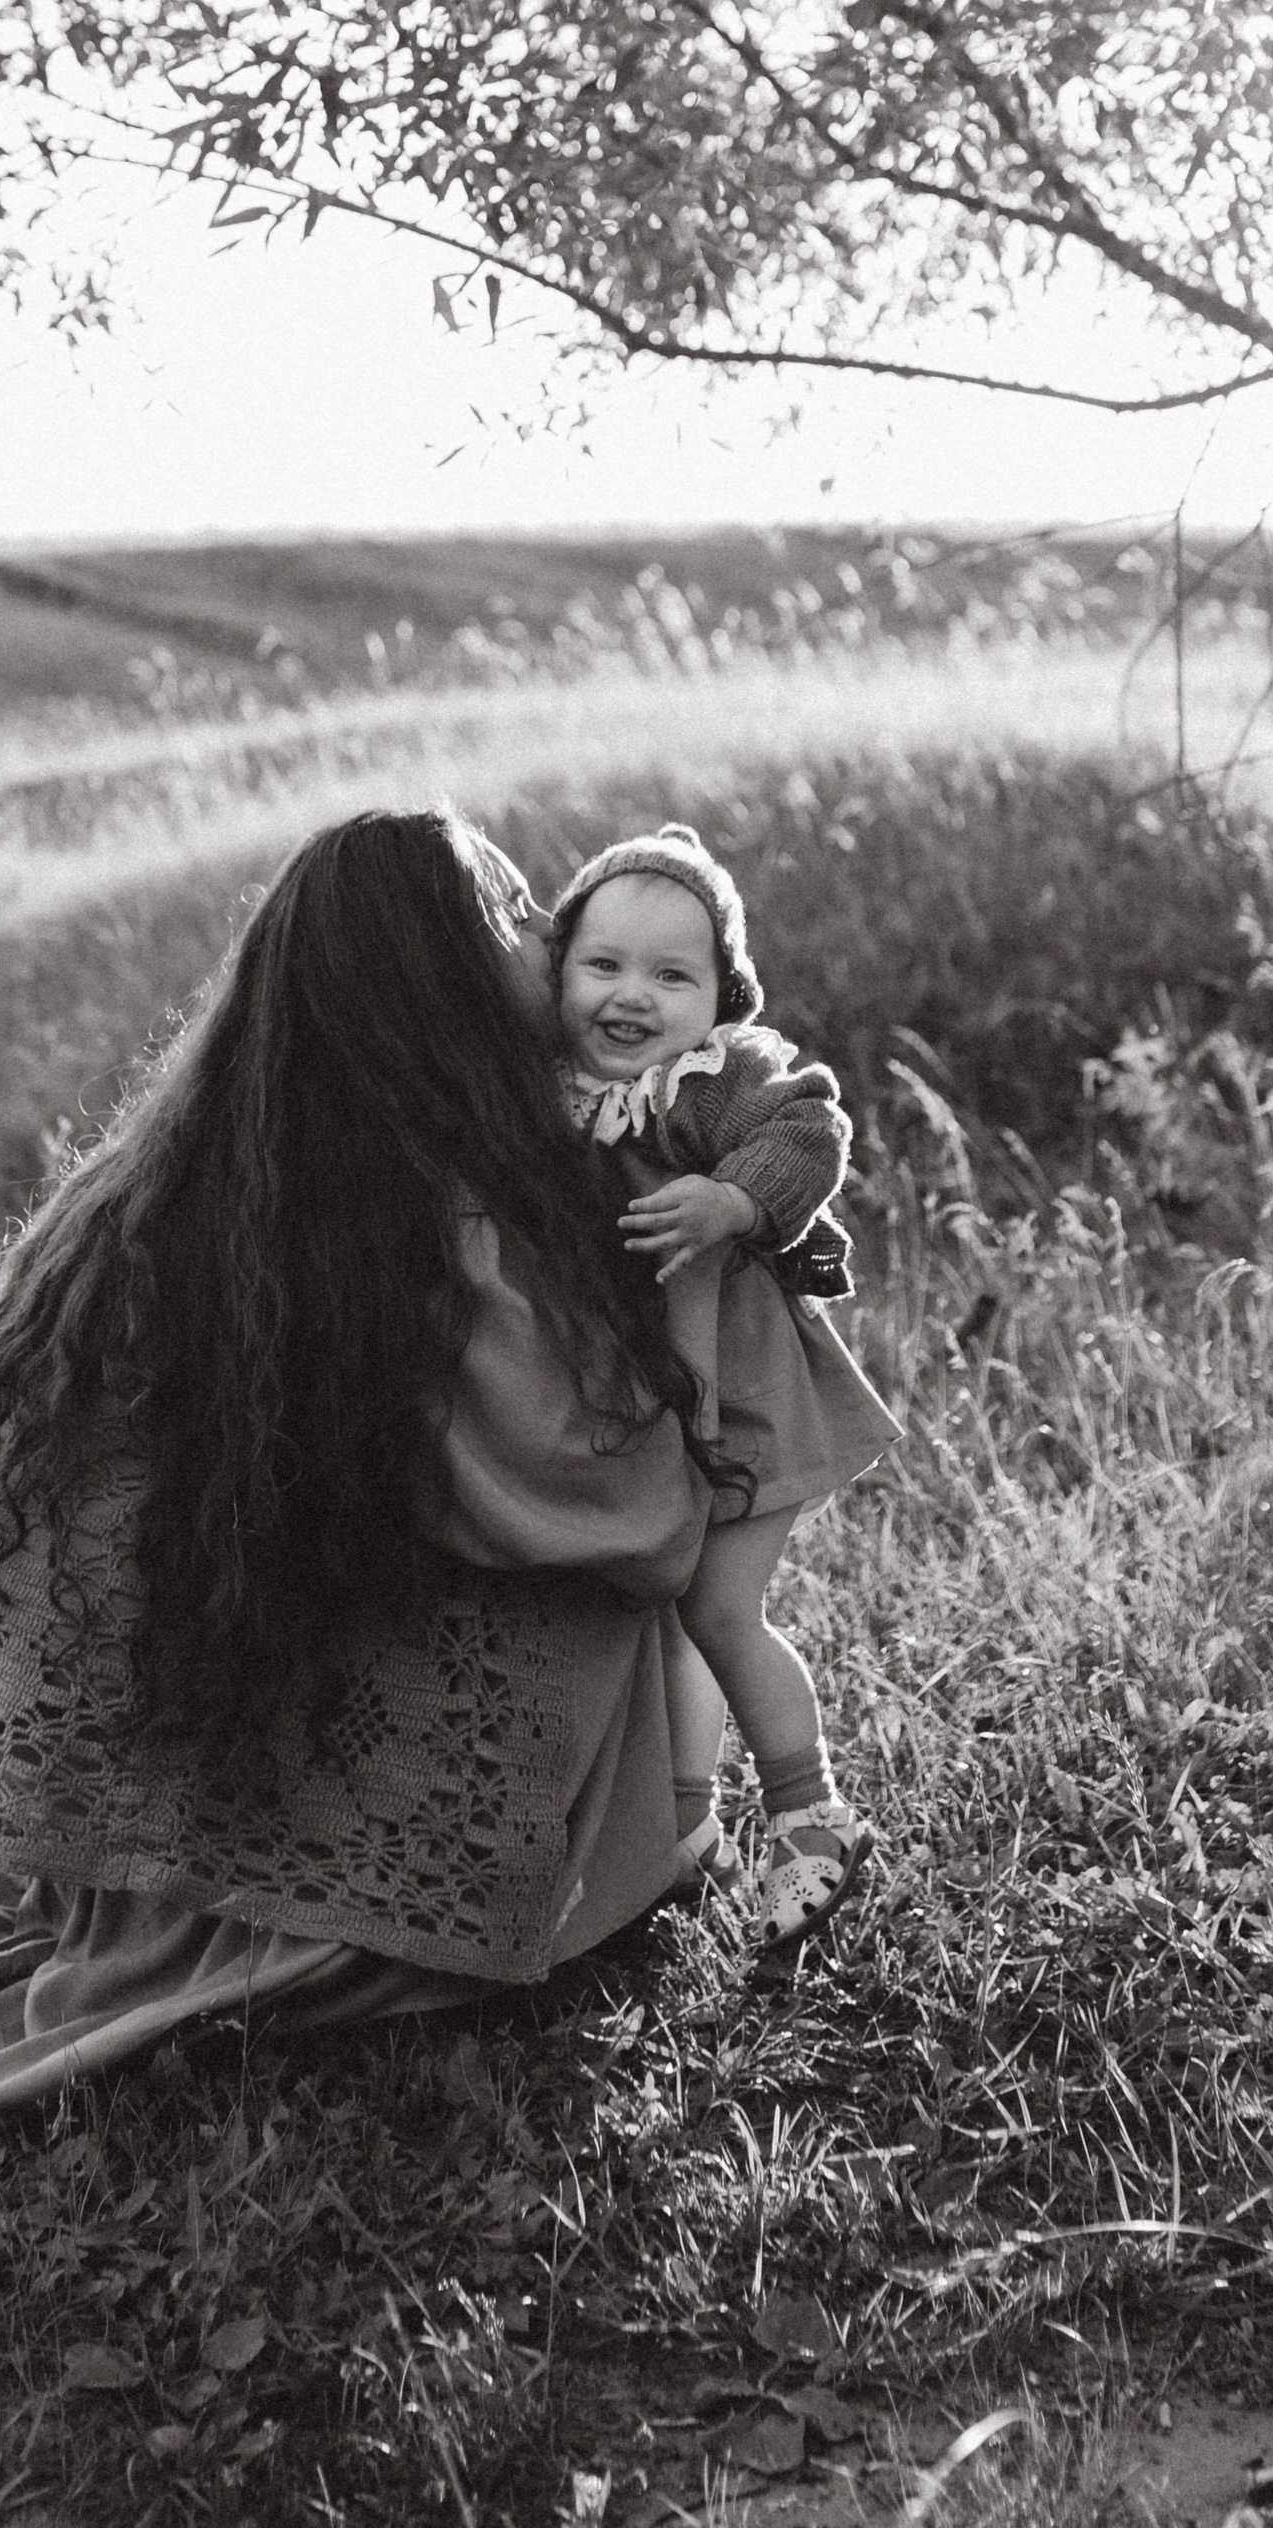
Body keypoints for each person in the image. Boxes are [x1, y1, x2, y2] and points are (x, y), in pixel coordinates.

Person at [0, 809, 733, 2164]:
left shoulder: (184, 1189)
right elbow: (642, 1529)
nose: (556, 937)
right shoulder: (465, 1226)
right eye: (522, 912)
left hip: (161, 1820)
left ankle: (206, 1897)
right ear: (448, 980)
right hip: (398, 1865)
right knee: (649, 1591)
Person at [549, 825, 899, 1949]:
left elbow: (811, 1126)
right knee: (660, 1611)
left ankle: (810, 1813)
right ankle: (685, 1830)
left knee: (715, 1608)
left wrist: (734, 1201)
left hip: (741, 1393)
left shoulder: (711, 1078)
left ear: (721, 993)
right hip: (646, 1409)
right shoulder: (545, 1095)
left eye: (671, 975)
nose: (631, 997)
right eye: (602, 966)